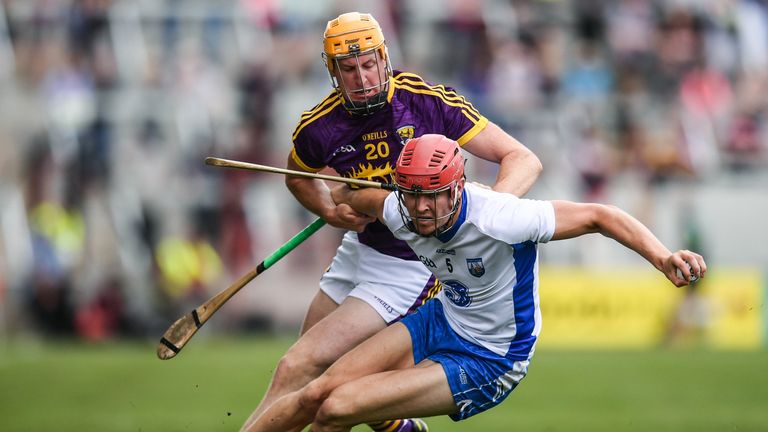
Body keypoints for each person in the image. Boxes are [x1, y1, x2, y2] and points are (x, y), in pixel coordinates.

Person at [243, 134, 707, 431]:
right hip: (440, 321)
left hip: (492, 358)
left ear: (457, 187)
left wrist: (663, 256)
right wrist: (337, 200)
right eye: (412, 194)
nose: (421, 208)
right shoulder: (400, 208)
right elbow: (361, 196)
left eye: (433, 195)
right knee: (318, 390)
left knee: (336, 409)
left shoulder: (500, 217)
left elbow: (599, 216)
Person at [241, 11, 542, 432]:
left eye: (369, 64)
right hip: (360, 248)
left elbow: (522, 158)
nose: (363, 78)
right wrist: (328, 209)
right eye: (349, 69)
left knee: (301, 366)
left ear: (384, 58)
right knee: (301, 372)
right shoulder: (319, 127)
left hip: (411, 263)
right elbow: (297, 177)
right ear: (333, 72)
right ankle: (396, 427)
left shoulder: (426, 102)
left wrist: (491, 212)